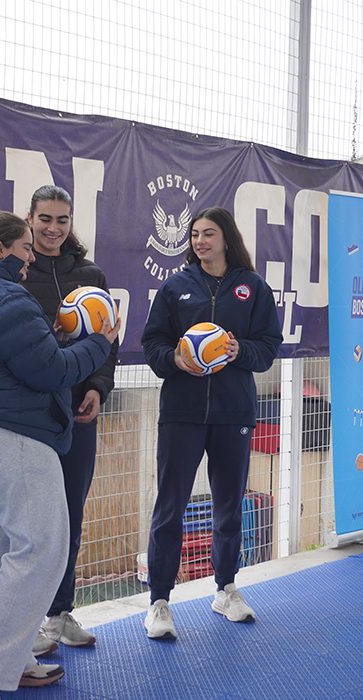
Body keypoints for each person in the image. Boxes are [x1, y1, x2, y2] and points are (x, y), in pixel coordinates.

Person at [0, 211, 119, 699]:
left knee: (5, 552)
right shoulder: (3, 296)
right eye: (25, 248)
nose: (31, 257)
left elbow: (27, 360)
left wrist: (55, 339)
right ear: (0, 250)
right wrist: (98, 343)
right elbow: (50, 371)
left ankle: (6, 658)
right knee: (42, 548)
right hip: (16, 435)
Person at [141, 207, 282, 639]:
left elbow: (268, 345)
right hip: (181, 413)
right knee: (170, 507)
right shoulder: (176, 286)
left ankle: (226, 590)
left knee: (229, 506)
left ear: (226, 238)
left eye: (209, 233)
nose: (200, 241)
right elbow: (152, 343)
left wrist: (241, 352)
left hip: (233, 413)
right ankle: (160, 602)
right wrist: (175, 359)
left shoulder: (251, 287)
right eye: (195, 234)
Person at [23, 185, 119, 652]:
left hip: (79, 413)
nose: (53, 228)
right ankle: (27, 620)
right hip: (32, 414)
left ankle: (59, 614)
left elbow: (108, 339)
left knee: (70, 514)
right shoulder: (19, 272)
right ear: (30, 219)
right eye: (45, 219)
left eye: (62, 220)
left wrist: (98, 388)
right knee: (33, 522)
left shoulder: (90, 274)